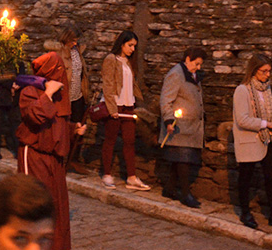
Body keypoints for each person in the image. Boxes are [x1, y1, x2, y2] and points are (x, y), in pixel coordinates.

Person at [16, 52, 75, 250]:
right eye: (60, 70)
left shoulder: (61, 94)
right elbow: (34, 116)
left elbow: (58, 124)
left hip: (53, 157)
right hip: (34, 153)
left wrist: (75, 129)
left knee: (55, 202)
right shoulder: (30, 91)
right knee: (35, 203)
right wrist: (47, 95)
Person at [232, 53, 272, 230]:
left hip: (266, 139)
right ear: (254, 70)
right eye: (264, 71)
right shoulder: (242, 90)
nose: (267, 75)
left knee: (271, 176)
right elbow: (242, 119)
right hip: (249, 139)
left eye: (269, 71)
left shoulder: (266, 89)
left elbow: (268, 112)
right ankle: (245, 212)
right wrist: (268, 124)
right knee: (246, 177)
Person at [99, 30, 151, 191]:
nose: (132, 49)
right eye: (130, 45)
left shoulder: (128, 62)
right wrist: (112, 108)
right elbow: (107, 84)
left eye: (134, 46)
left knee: (129, 141)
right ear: (121, 44)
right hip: (116, 104)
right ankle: (106, 174)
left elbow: (131, 85)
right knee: (110, 139)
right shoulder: (111, 59)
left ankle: (131, 177)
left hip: (128, 105)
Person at [159, 47, 207, 208]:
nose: (198, 67)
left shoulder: (192, 75)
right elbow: (166, 99)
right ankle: (185, 193)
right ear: (187, 59)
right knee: (183, 160)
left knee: (179, 160)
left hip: (191, 127)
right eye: (197, 63)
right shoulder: (176, 74)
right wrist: (168, 120)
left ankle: (170, 188)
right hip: (179, 127)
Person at [57, 23, 91, 124]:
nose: (75, 43)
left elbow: (81, 74)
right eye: (73, 40)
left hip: (77, 97)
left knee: (77, 127)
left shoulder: (77, 51)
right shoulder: (59, 53)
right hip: (65, 98)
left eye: (76, 40)